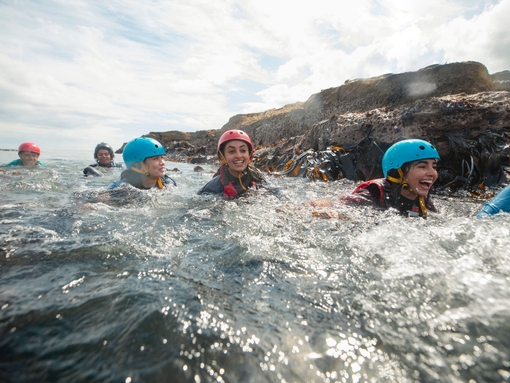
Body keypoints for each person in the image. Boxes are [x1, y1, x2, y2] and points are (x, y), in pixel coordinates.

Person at [311, 139, 440, 218]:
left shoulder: (424, 201)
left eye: (434, 166)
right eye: (422, 166)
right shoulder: (373, 193)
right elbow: (332, 205)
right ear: (397, 171)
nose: (432, 173)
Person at [197, 130, 271, 198]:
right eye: (231, 151)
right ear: (222, 156)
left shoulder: (259, 178)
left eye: (243, 150)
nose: (238, 156)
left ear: (250, 154)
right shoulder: (212, 187)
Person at [108, 137, 176, 190]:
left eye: (162, 158)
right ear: (138, 166)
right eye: (155, 159)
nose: (162, 163)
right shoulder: (119, 188)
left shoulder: (168, 183)